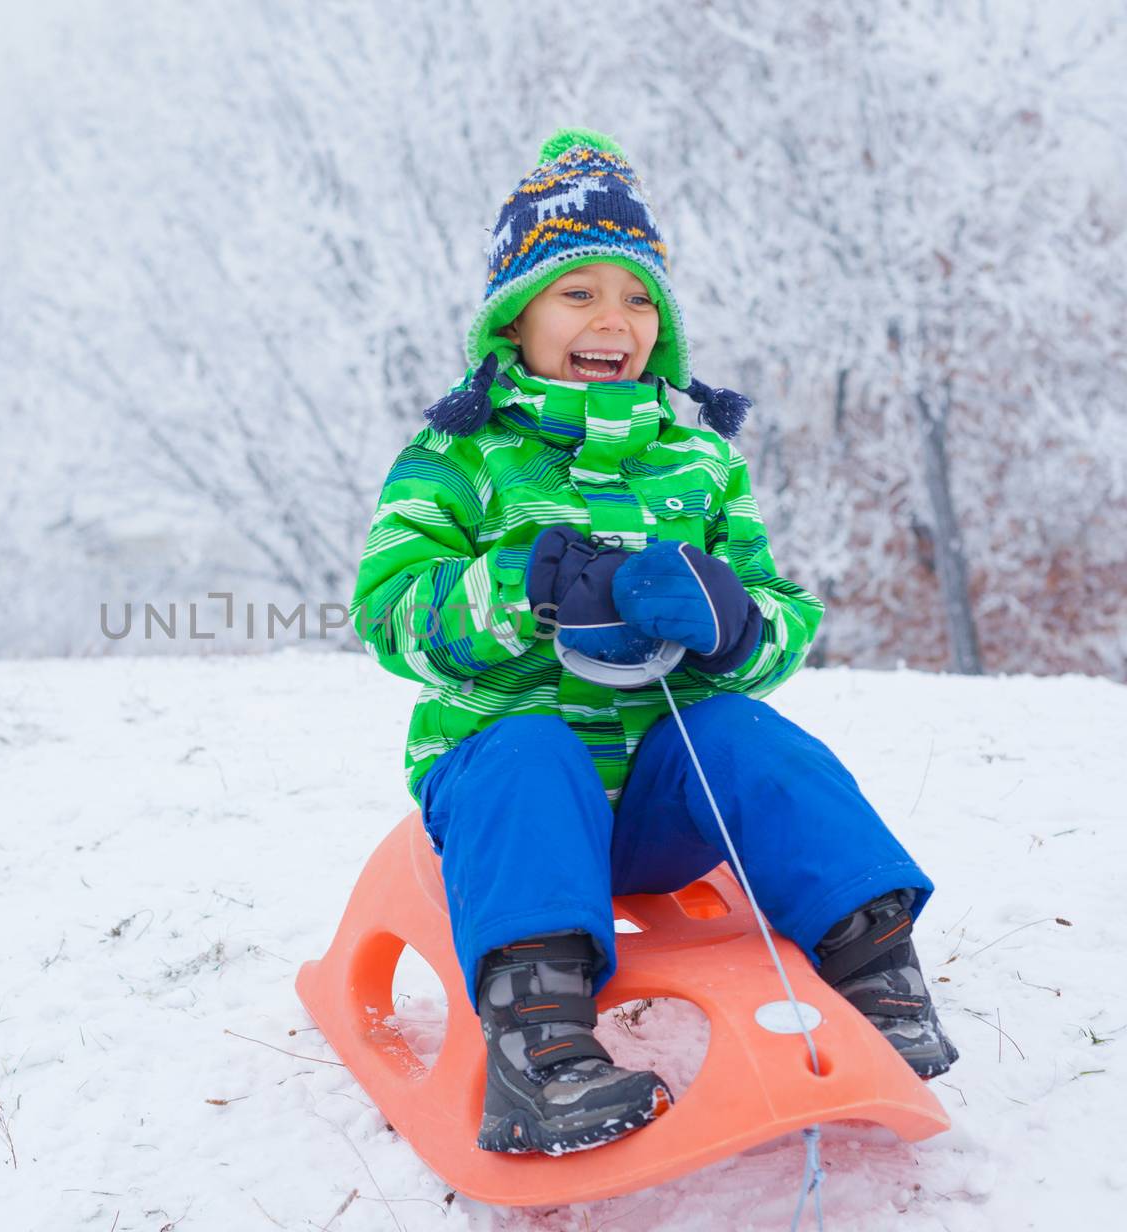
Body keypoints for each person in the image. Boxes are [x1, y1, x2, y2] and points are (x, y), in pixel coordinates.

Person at [348, 130, 957, 1157]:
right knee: (530, 746)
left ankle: (875, 965)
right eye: (576, 293)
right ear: (514, 314)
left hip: (666, 805)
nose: (612, 320)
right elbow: (390, 613)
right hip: (516, 802)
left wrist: (735, 619)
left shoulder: (699, 461)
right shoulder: (457, 458)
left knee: (746, 735)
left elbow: (779, 616)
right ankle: (537, 1048)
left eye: (636, 299)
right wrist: (519, 584)